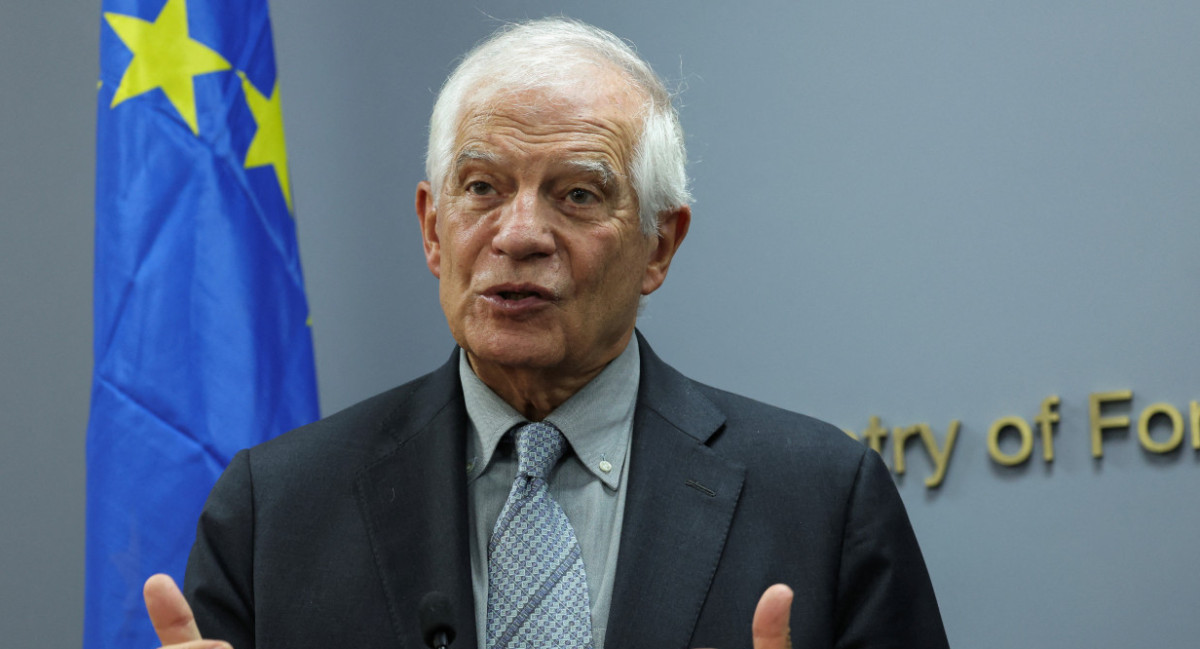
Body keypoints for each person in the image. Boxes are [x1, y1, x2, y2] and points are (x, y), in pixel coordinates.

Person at [143, 17, 949, 649]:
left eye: (577, 194)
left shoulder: (821, 500)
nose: (519, 233)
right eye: (483, 187)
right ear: (432, 228)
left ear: (659, 246)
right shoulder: (273, 514)